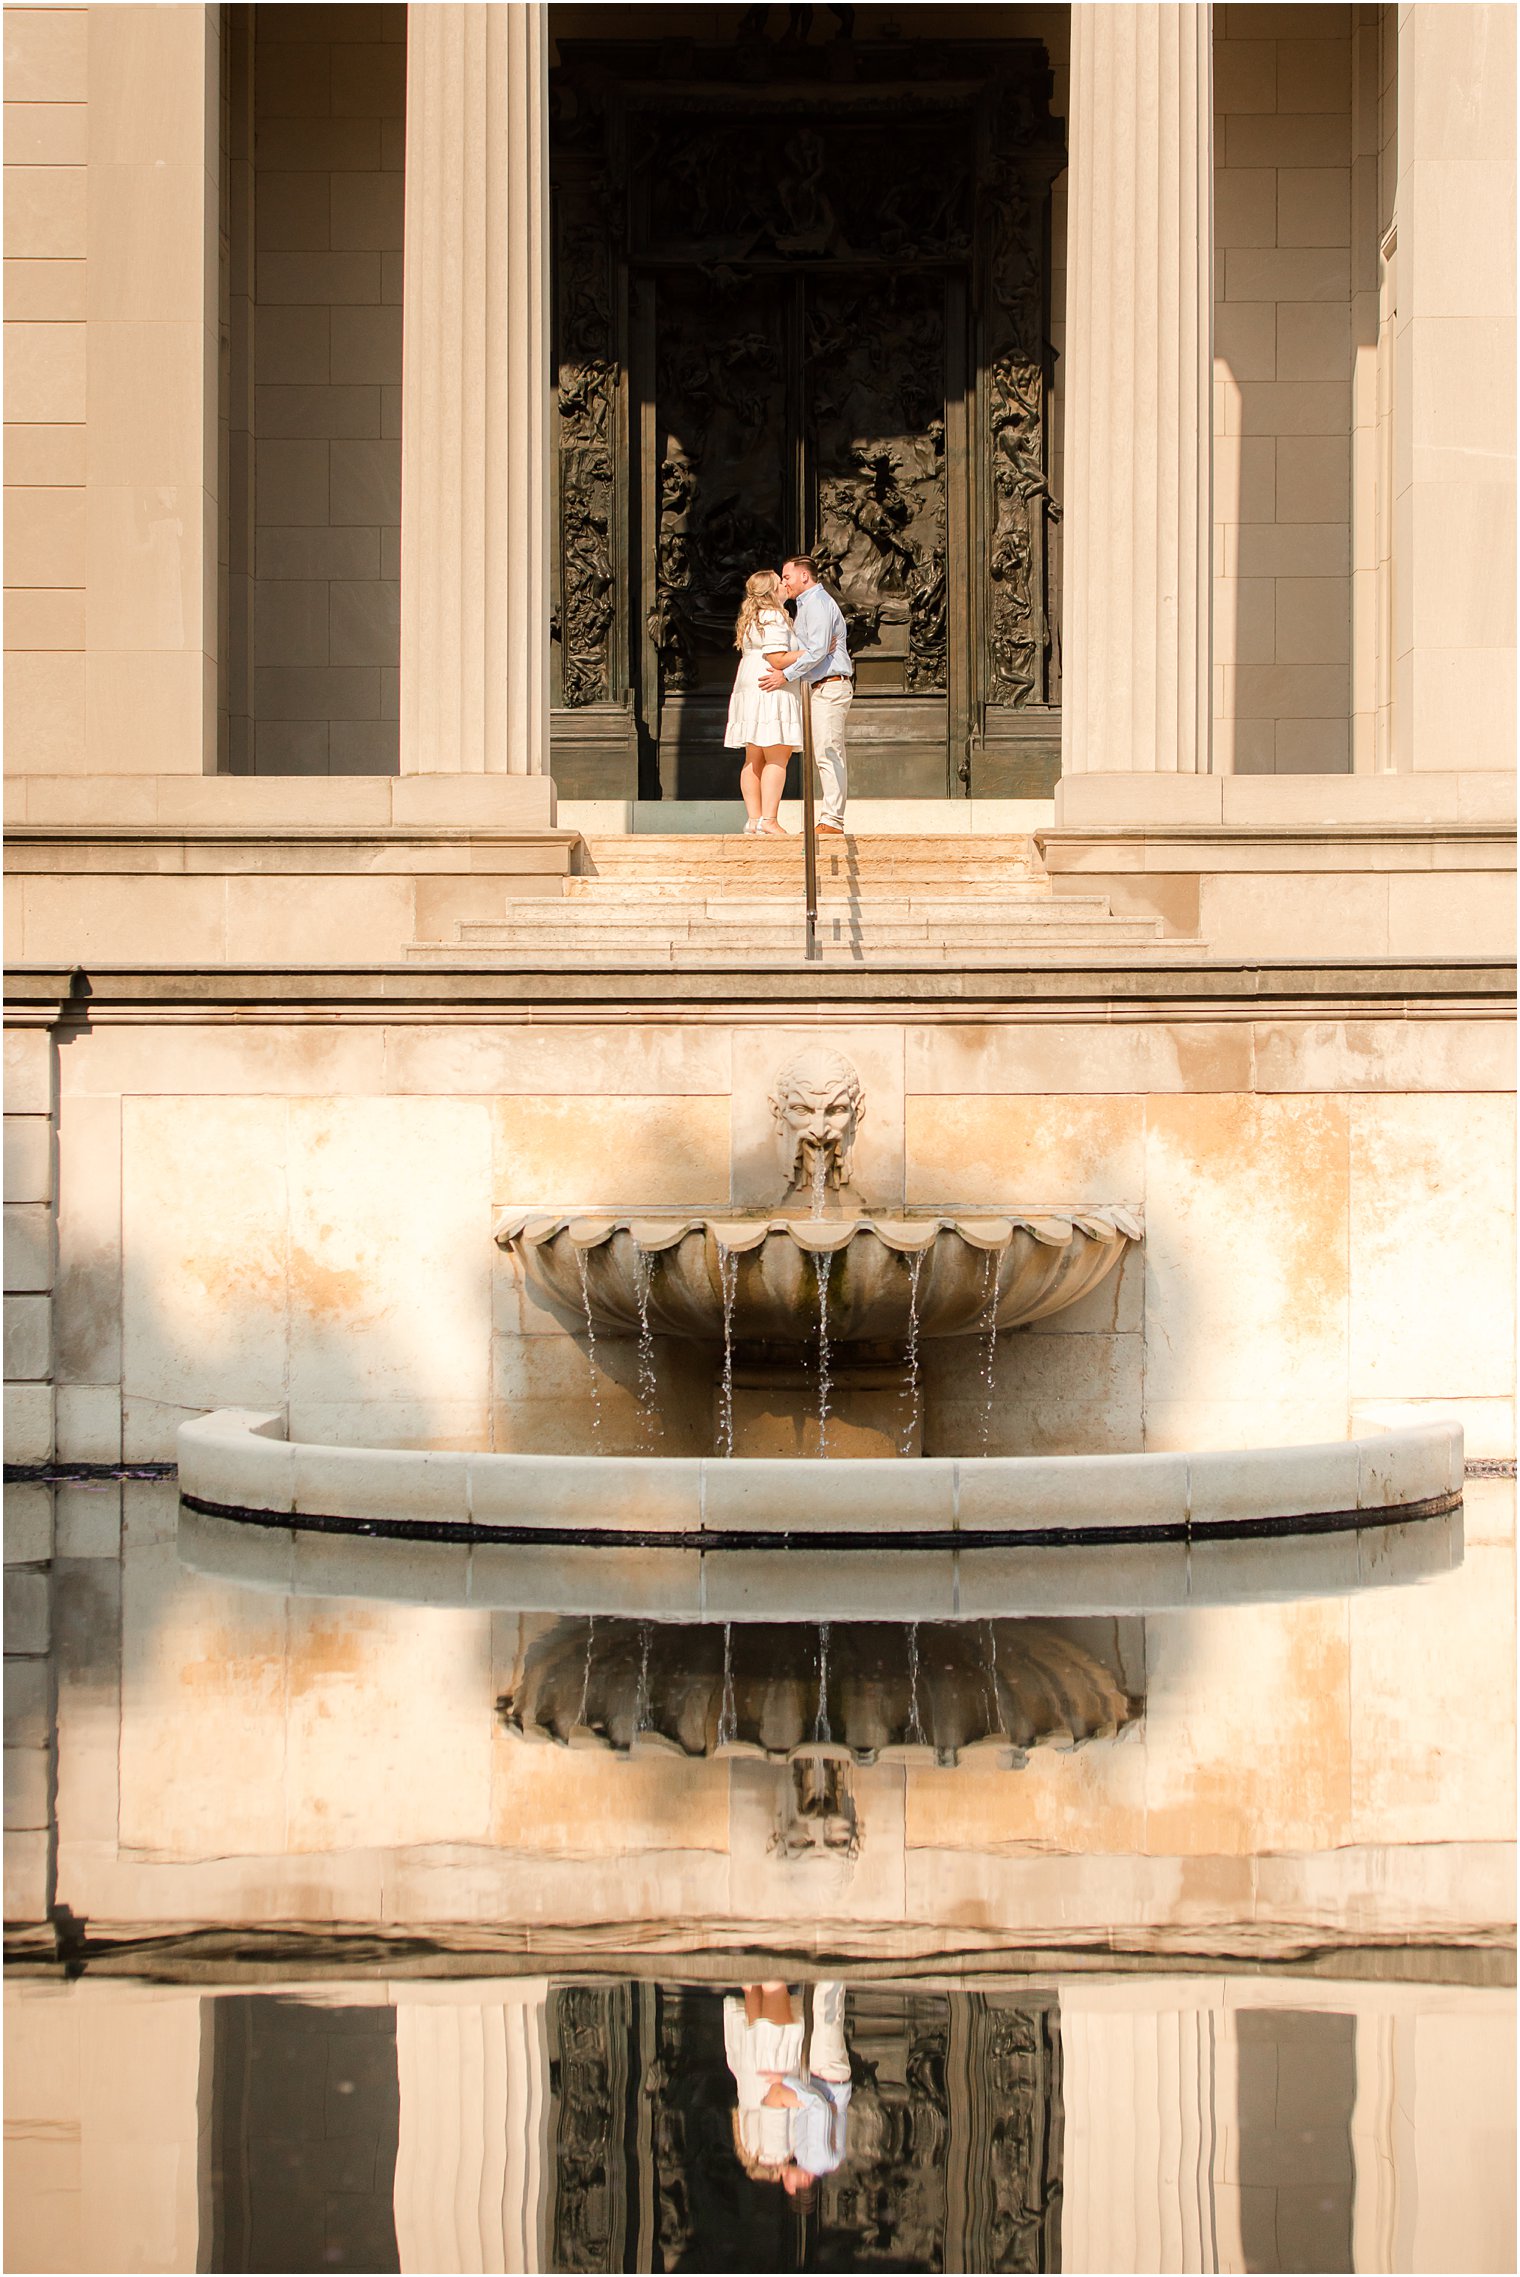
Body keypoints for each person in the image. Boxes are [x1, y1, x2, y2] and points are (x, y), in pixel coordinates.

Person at [724, 1980, 853, 2194]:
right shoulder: (748, 2147)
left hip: (772, 2060)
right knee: (752, 1988)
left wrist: (809, 2101)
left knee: (773, 1987)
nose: (785, 2179)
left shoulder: (773, 2153)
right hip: (752, 2063)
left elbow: (776, 2096)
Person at [759, 555, 853, 837]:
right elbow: (813, 648)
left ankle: (832, 821)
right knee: (824, 751)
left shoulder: (818, 604)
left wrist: (784, 675)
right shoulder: (805, 606)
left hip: (830, 685)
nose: (784, 583)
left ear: (804, 576)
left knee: (828, 751)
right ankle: (829, 818)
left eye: (787, 577)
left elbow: (817, 651)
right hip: (818, 687)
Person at [725, 570, 802, 837]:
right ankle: (768, 819)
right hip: (769, 685)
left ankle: (753, 819)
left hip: (749, 684)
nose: (785, 584)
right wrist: (811, 651)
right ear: (771, 591)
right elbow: (777, 657)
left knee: (753, 756)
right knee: (777, 755)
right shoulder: (774, 616)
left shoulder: (751, 618)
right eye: (780, 582)